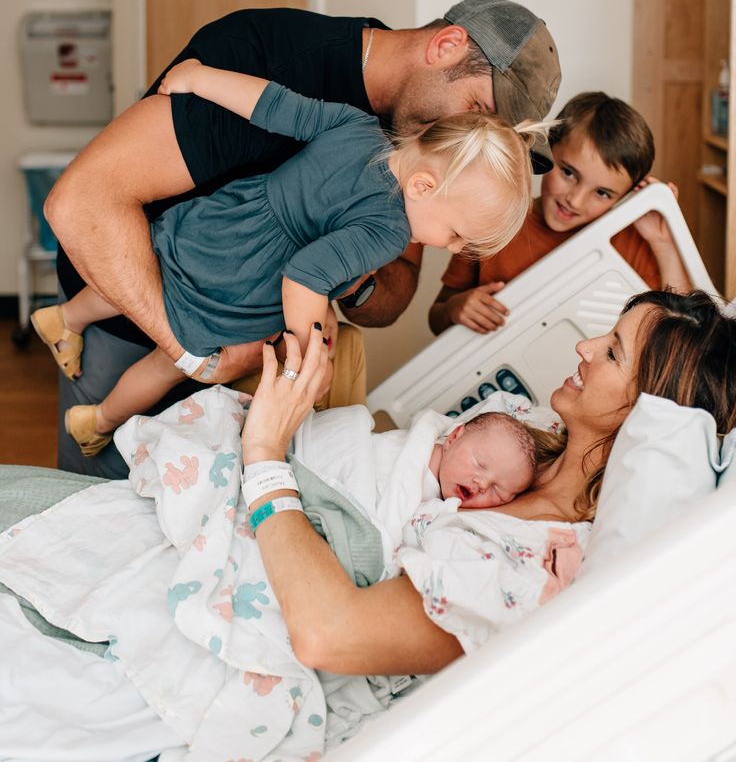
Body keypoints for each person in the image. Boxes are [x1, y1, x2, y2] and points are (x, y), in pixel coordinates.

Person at [1, 290, 733, 760]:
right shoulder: (531, 446)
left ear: (647, 413)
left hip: (275, 601)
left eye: (609, 354)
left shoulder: (534, 567)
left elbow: (331, 633)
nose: (581, 348)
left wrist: (265, 452)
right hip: (284, 526)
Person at [45, 0, 562, 478]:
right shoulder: (271, 56)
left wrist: (347, 285)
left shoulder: (418, 160)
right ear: (447, 46)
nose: (472, 139)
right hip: (132, 310)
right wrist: (191, 353)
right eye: (479, 112)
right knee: (94, 497)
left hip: (236, 342)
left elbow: (389, 294)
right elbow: (78, 204)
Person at [429, 91, 692, 336]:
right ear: (547, 151)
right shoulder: (493, 220)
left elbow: (687, 334)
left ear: (624, 197)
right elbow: (437, 317)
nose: (575, 200)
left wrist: (663, 242)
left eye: (602, 193)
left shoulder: (632, 243)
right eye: (568, 172)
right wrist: (455, 308)